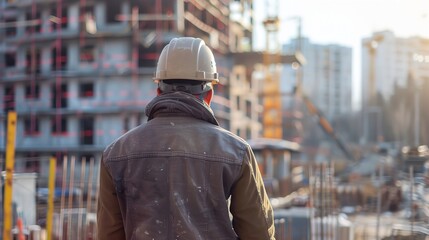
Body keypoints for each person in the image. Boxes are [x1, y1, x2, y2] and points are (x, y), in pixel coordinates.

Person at [97, 37, 275, 240]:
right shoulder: (236, 152)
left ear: (158, 91)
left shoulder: (116, 154)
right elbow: (258, 233)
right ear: (208, 95)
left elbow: (108, 234)